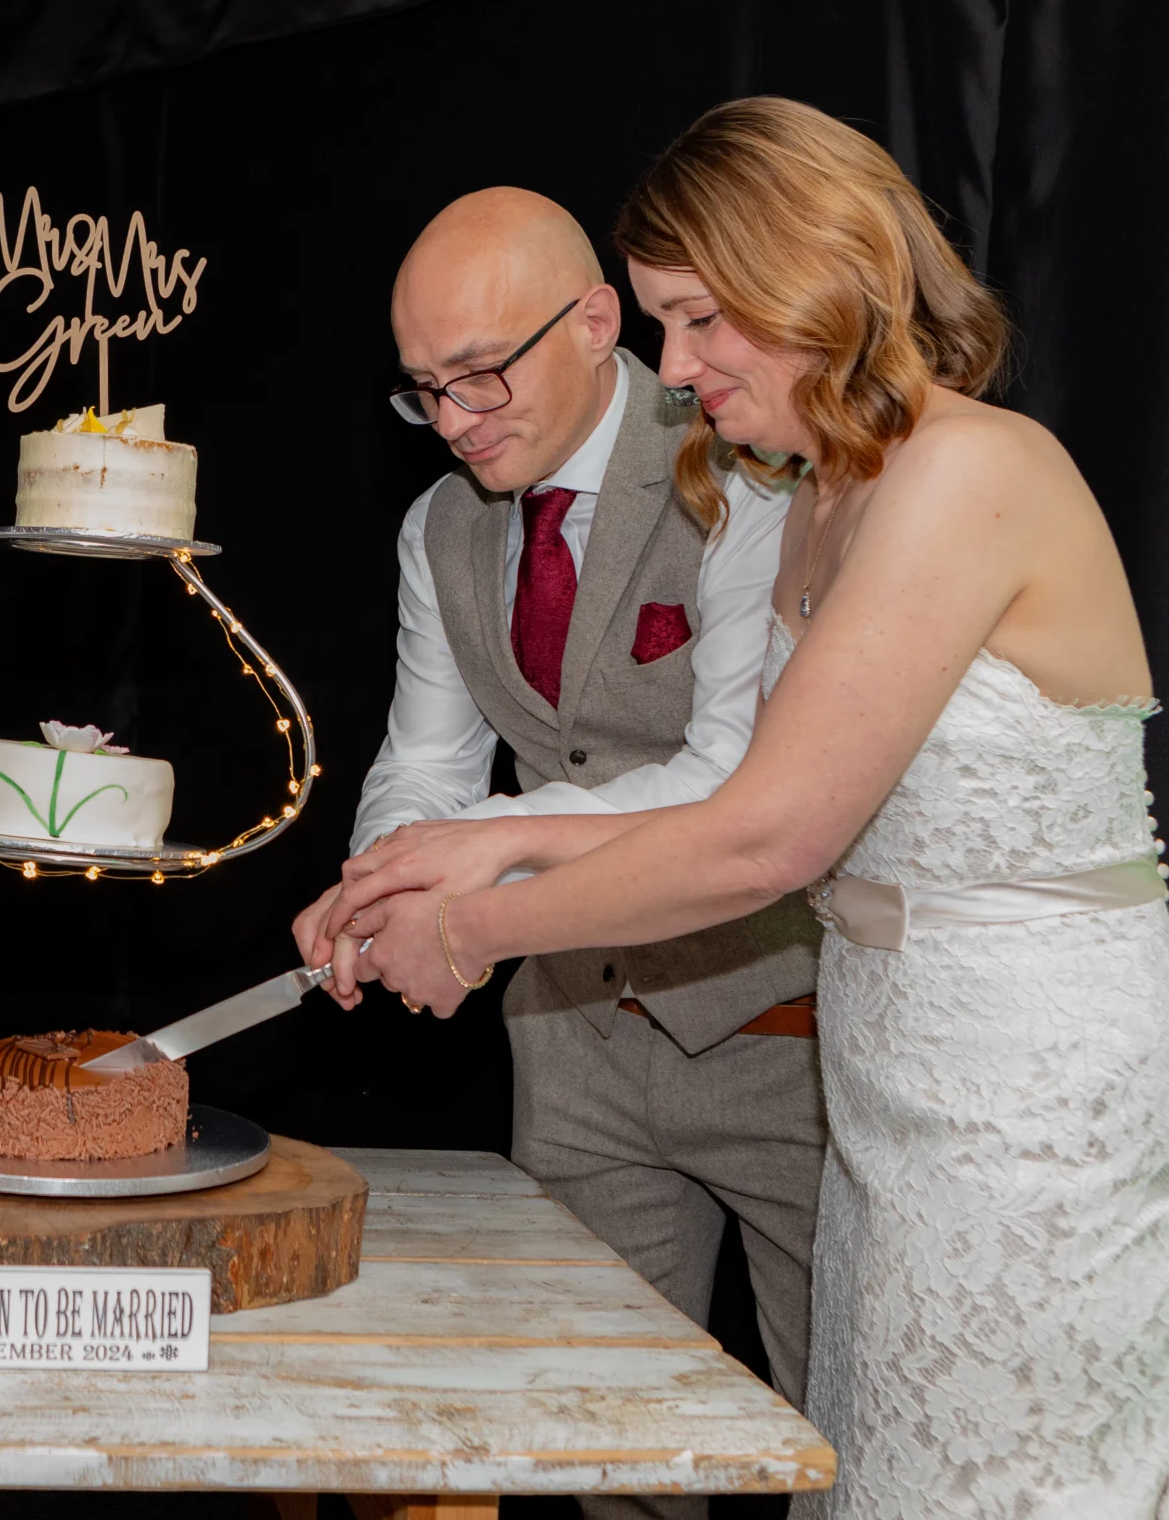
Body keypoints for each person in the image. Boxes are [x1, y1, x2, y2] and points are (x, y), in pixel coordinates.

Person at [315, 98, 1169, 1516]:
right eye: (663, 322)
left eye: (705, 318)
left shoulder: (972, 466)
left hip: (1040, 1106)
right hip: (890, 1090)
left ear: (826, 272)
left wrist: (473, 923)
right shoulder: (822, 490)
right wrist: (469, 838)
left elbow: (768, 830)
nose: (679, 364)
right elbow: (737, 789)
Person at [291, 186, 819, 1520]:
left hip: (779, 1025)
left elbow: (730, 776)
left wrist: (463, 870)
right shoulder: (440, 527)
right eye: (425, 391)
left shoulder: (743, 466)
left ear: (595, 321)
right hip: (569, 1031)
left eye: (481, 374)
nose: (458, 420)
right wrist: (377, 890)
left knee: (839, 1426)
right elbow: (425, 762)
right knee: (604, 1446)